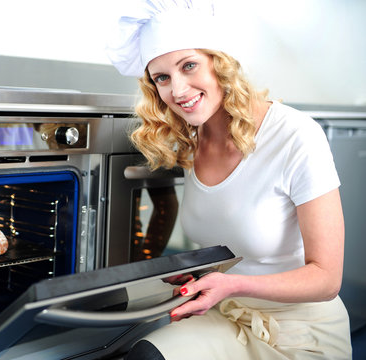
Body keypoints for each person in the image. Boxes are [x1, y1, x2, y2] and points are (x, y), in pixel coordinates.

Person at [106, 0, 352, 359]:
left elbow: (327, 279)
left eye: (189, 66)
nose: (177, 90)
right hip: (225, 317)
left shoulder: (296, 135)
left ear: (220, 63)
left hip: (301, 331)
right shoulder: (191, 139)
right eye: (162, 77)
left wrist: (230, 284)